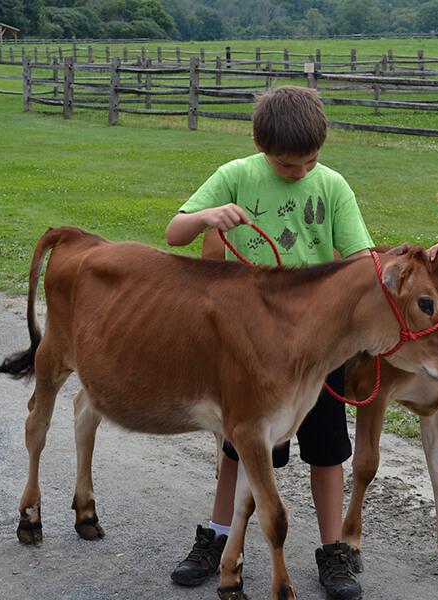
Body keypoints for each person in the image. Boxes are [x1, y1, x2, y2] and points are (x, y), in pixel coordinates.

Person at [165, 86, 372, 600]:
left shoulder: (332, 187)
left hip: (315, 352)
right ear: (260, 146)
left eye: (310, 161)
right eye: (287, 164)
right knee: (240, 451)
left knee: (327, 453)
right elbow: (174, 234)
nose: (300, 172)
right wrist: (208, 217)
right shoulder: (236, 175)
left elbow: (362, 259)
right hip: (250, 352)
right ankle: (215, 539)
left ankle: (334, 553)